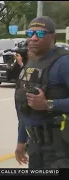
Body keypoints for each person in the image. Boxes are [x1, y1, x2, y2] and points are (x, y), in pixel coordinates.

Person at [15, 16, 69, 168]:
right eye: (29, 33)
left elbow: (41, 105)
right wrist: (21, 141)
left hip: (61, 150)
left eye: (39, 34)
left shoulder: (64, 62)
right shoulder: (31, 63)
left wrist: (48, 104)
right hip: (35, 146)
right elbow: (25, 107)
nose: (33, 38)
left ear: (53, 37)